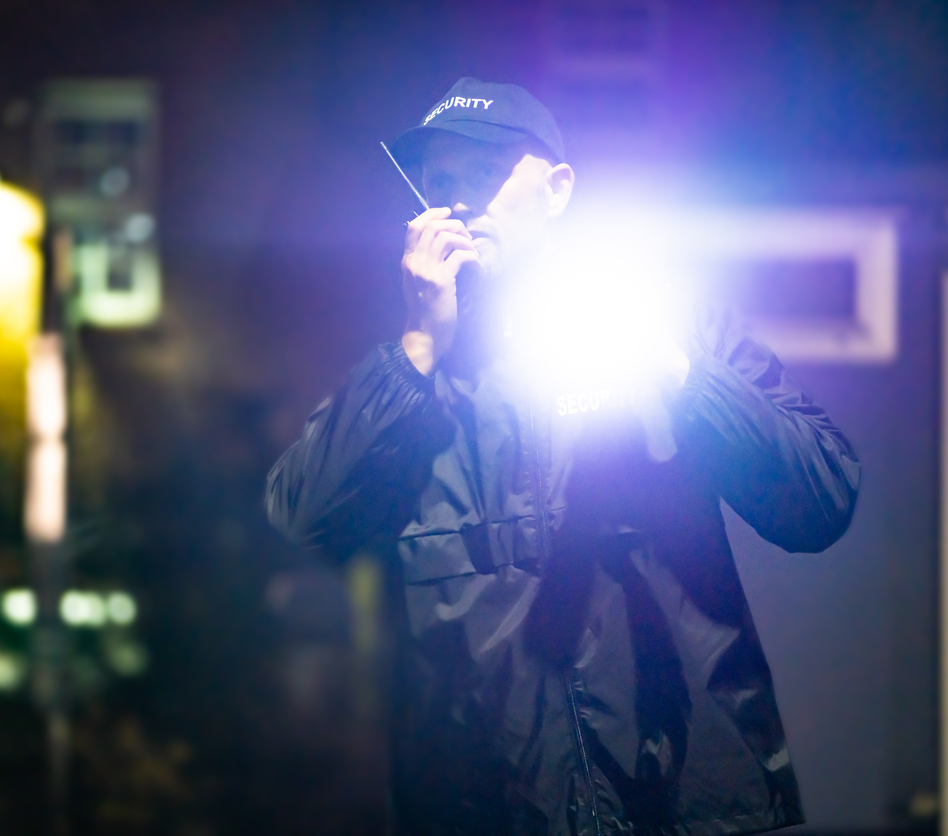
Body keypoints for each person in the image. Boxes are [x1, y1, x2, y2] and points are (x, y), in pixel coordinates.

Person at [266, 78, 860, 836]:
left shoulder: (668, 322)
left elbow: (822, 500)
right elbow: (297, 527)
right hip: (485, 811)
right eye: (440, 183)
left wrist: (676, 368)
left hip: (681, 804)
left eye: (483, 174)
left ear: (557, 189)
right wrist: (418, 346)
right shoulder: (413, 379)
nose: (458, 202)